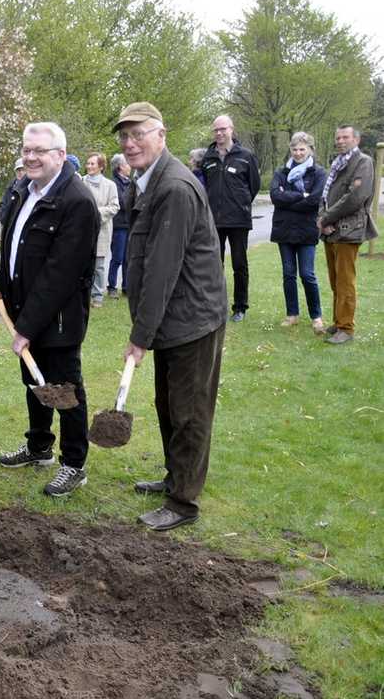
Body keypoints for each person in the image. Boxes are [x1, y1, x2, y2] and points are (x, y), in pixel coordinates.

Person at [114, 102, 227, 531]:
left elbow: (163, 269)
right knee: (168, 404)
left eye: (138, 134)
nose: (130, 143)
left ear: (161, 135)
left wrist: (140, 336)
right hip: (174, 319)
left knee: (188, 411)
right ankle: (174, 477)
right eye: (125, 136)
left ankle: (183, 502)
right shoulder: (148, 181)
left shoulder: (174, 188)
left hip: (192, 319)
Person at [0, 122, 99, 498]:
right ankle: (39, 447)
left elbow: (60, 274)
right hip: (26, 310)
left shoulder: (77, 202)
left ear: (61, 156)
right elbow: (19, 249)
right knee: (35, 382)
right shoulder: (25, 190)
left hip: (59, 318)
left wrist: (26, 328)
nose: (30, 157)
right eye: (26, 150)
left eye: (39, 151)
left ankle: (74, 464)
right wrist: (2, 282)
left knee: (63, 388)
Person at [317, 125, 378, 345]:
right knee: (335, 280)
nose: (340, 141)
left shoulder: (363, 162)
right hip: (331, 231)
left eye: (345, 137)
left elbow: (354, 198)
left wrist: (326, 218)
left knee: (345, 281)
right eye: (338, 138)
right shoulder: (338, 163)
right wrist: (323, 218)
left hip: (348, 230)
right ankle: (338, 321)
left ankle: (346, 328)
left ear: (356, 140)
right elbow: (325, 196)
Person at [201, 115, 260, 322]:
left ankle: (240, 307)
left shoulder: (246, 156)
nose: (219, 133)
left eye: (223, 129)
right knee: (214, 265)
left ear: (231, 129)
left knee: (239, 265)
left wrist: (240, 204)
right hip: (214, 221)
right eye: (216, 130)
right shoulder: (208, 158)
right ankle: (216, 306)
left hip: (238, 220)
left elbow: (253, 186)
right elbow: (205, 186)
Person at [269, 132, 326, 333]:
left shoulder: (318, 173)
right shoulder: (281, 172)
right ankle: (292, 314)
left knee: (307, 274)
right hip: (284, 229)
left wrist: (288, 198)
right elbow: (275, 196)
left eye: (302, 149)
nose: (298, 153)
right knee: (288, 274)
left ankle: (316, 316)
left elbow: (314, 201)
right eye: (294, 149)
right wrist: (302, 195)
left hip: (307, 230)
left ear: (310, 149)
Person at [81, 152, 118, 308]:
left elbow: (115, 206)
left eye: (92, 164)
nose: (89, 166)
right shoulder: (80, 182)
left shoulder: (110, 185)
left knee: (99, 265)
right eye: (88, 163)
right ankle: (83, 294)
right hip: (82, 230)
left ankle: (97, 296)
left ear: (101, 167)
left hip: (101, 229)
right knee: (82, 263)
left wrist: (95, 213)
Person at [107, 153, 131, 299]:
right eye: (127, 164)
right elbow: (122, 202)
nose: (130, 166)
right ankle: (112, 286)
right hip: (119, 225)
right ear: (121, 167)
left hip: (129, 224)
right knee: (117, 257)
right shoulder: (114, 184)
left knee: (128, 258)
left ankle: (126, 287)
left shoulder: (131, 182)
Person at [0, 156, 26, 226]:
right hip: (9, 226)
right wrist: (3, 218)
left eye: (23, 170)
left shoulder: (32, 188)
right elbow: (3, 205)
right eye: (18, 170)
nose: (21, 172)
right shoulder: (10, 188)